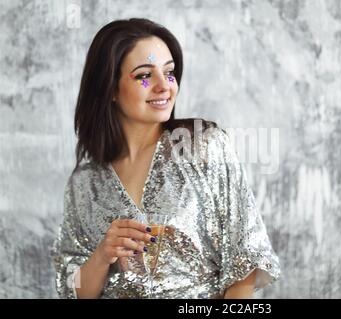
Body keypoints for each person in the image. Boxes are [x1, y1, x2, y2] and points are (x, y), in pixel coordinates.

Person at [52, 18, 280, 299]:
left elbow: (245, 259)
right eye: (144, 75)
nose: (164, 86)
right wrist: (102, 255)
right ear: (110, 88)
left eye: (169, 73)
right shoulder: (85, 183)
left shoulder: (203, 147)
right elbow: (70, 287)